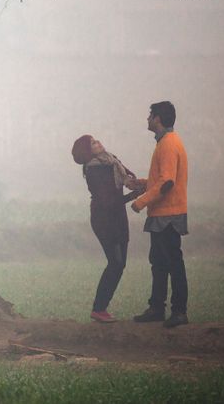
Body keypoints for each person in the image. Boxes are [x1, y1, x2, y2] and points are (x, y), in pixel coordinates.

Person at [71, 134, 145, 323]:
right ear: (88, 151)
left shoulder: (111, 161)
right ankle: (99, 308)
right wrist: (133, 195)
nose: (98, 143)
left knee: (120, 264)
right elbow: (107, 201)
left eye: (96, 140)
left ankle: (101, 308)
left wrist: (135, 185)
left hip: (118, 217)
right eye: (93, 143)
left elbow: (129, 177)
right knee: (116, 263)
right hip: (104, 220)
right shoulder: (94, 170)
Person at [130, 101, 190, 328]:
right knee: (159, 262)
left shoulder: (167, 145)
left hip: (168, 214)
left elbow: (167, 183)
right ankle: (157, 307)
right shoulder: (168, 142)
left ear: (157, 119)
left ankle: (179, 311)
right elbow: (161, 180)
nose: (147, 119)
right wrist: (143, 184)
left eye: (150, 115)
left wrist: (141, 202)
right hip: (164, 212)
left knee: (173, 263)